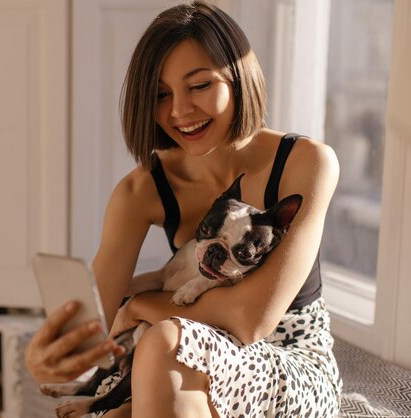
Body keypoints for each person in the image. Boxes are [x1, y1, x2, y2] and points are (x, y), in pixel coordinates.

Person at [25, 1, 343, 417]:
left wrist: (139, 305)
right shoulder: (143, 190)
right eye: (160, 94)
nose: (179, 111)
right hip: (186, 360)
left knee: (162, 342)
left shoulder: (307, 163)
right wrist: (47, 354)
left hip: (289, 366)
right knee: (149, 363)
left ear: (238, 78)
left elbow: (250, 320)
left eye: (198, 86)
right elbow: (95, 324)